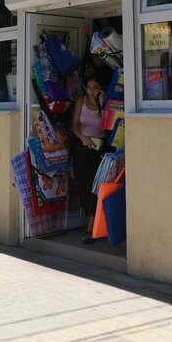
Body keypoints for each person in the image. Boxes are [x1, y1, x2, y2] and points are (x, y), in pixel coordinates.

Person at [71, 76, 105, 243]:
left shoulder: (104, 104)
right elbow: (74, 125)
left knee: (96, 187)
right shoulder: (81, 101)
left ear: (100, 89)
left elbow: (109, 124)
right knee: (84, 187)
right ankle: (90, 221)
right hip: (83, 149)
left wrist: (103, 105)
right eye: (89, 87)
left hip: (99, 151)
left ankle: (91, 227)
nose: (92, 91)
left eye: (95, 87)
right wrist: (82, 137)